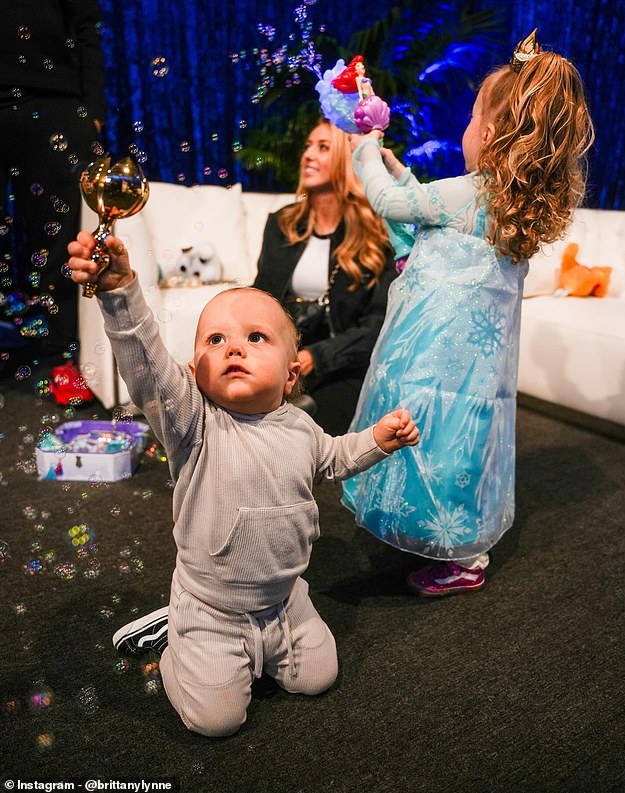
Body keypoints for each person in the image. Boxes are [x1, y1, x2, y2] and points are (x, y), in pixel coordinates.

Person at [66, 230, 419, 737]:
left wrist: (378, 440)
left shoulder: (300, 427)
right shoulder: (193, 421)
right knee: (217, 721)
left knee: (320, 677)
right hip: (212, 607)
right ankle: (177, 643)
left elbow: (335, 459)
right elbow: (146, 366)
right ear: (193, 371)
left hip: (282, 599)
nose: (234, 347)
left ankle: (263, 641)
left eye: (256, 338)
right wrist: (120, 290)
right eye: (216, 339)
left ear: (292, 374)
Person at [341, 38, 594, 596]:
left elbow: (392, 205)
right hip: (476, 374)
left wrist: (365, 150)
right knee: (459, 444)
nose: (466, 129)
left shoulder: (465, 193)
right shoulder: (515, 208)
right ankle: (460, 544)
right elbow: (429, 215)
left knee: (419, 432)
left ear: (493, 136)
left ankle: (447, 549)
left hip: (432, 357)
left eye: (473, 118)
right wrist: (397, 167)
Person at [253, 118, 397, 436]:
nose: (308, 155)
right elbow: (262, 298)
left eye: (322, 147)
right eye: (307, 147)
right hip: (284, 357)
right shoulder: (282, 224)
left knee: (307, 430)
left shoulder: (376, 236)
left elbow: (377, 327)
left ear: (347, 161)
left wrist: (315, 357)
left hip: (342, 362)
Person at [0, 0, 105, 376]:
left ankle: (61, 358)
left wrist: (93, 109)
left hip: (55, 101)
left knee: (59, 238)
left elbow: (87, 26)